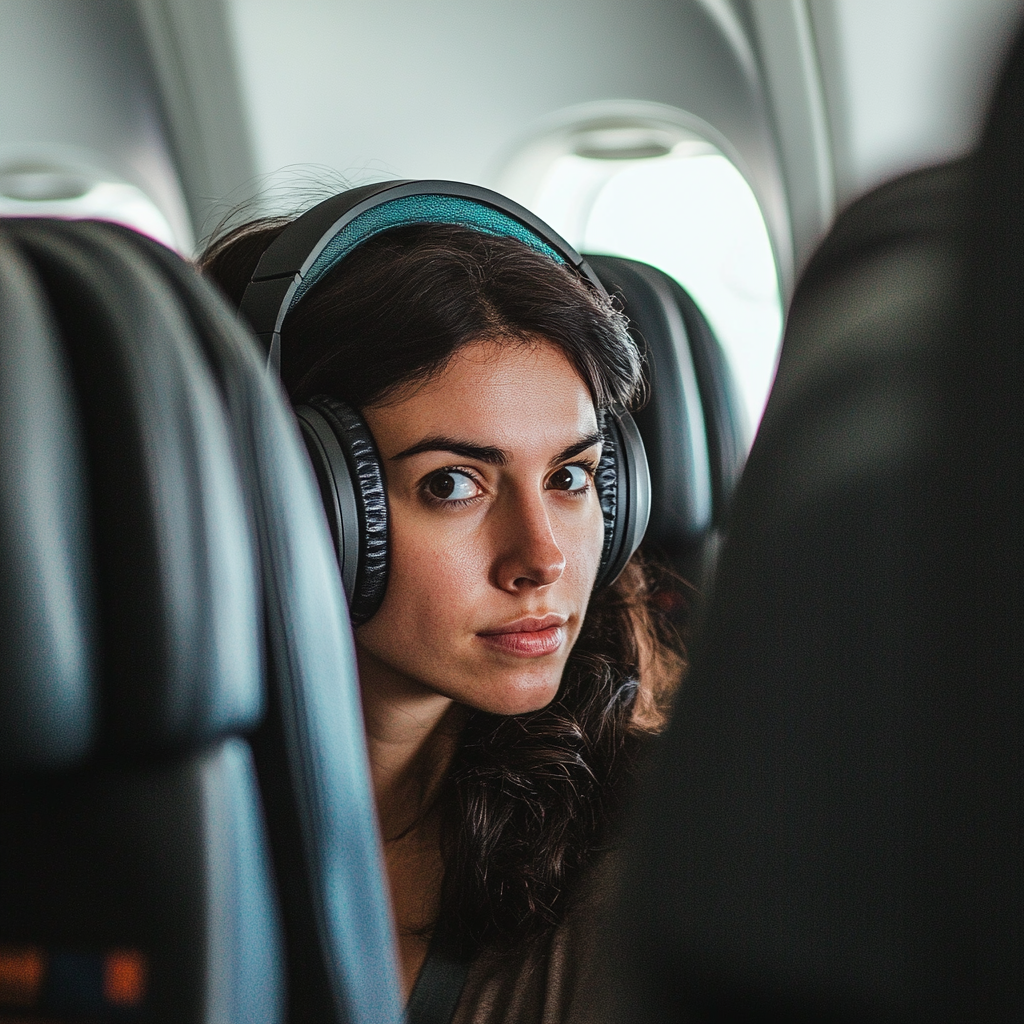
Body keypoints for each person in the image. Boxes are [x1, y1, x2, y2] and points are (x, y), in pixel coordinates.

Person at [201, 203, 686, 1023]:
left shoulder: (657, 856)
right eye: (452, 484)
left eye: (570, 477)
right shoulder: (109, 848)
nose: (543, 558)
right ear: (294, 497)